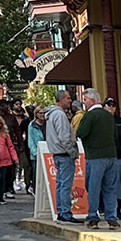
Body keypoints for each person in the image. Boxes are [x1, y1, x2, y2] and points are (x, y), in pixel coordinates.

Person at [76, 88, 121, 229]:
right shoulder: (109, 115)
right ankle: (112, 217)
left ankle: (93, 217)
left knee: (93, 187)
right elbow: (115, 135)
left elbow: (81, 132)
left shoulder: (90, 116)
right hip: (111, 155)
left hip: (95, 156)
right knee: (110, 188)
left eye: (85, 100)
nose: (84, 103)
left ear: (92, 100)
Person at [42, 89, 79, 222]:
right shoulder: (60, 115)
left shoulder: (52, 114)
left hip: (57, 153)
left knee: (60, 183)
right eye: (68, 98)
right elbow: (64, 136)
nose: (70, 100)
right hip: (64, 154)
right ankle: (65, 212)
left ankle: (61, 211)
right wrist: (72, 151)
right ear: (61, 99)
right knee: (65, 184)